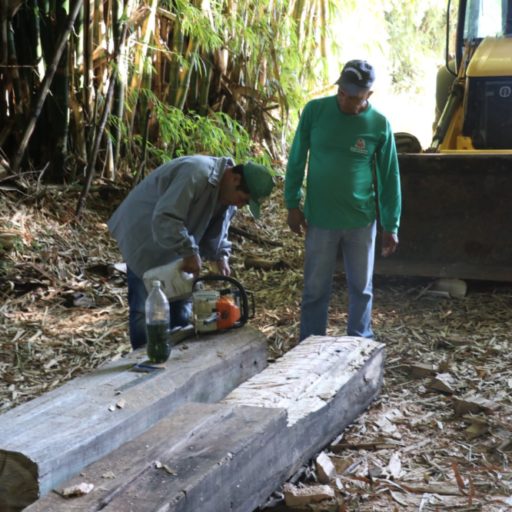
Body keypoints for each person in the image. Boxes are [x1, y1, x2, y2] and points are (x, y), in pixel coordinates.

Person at [284, 59, 401, 341]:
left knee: (361, 288)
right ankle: (310, 345)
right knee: (315, 289)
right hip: (321, 219)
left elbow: (389, 177)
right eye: (342, 93)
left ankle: (359, 343)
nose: (346, 100)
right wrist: (292, 203)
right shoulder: (315, 111)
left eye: (354, 97)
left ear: (368, 96)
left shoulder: (379, 125)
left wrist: (391, 223)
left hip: (361, 220)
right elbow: (298, 157)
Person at [108, 155, 274, 349]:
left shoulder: (228, 198)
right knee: (146, 308)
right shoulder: (196, 173)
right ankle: (146, 362)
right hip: (143, 231)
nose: (239, 205)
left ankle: (179, 359)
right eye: (242, 199)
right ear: (235, 179)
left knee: (181, 303)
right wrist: (189, 251)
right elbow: (166, 217)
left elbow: (218, 230)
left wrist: (220, 255)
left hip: (177, 238)